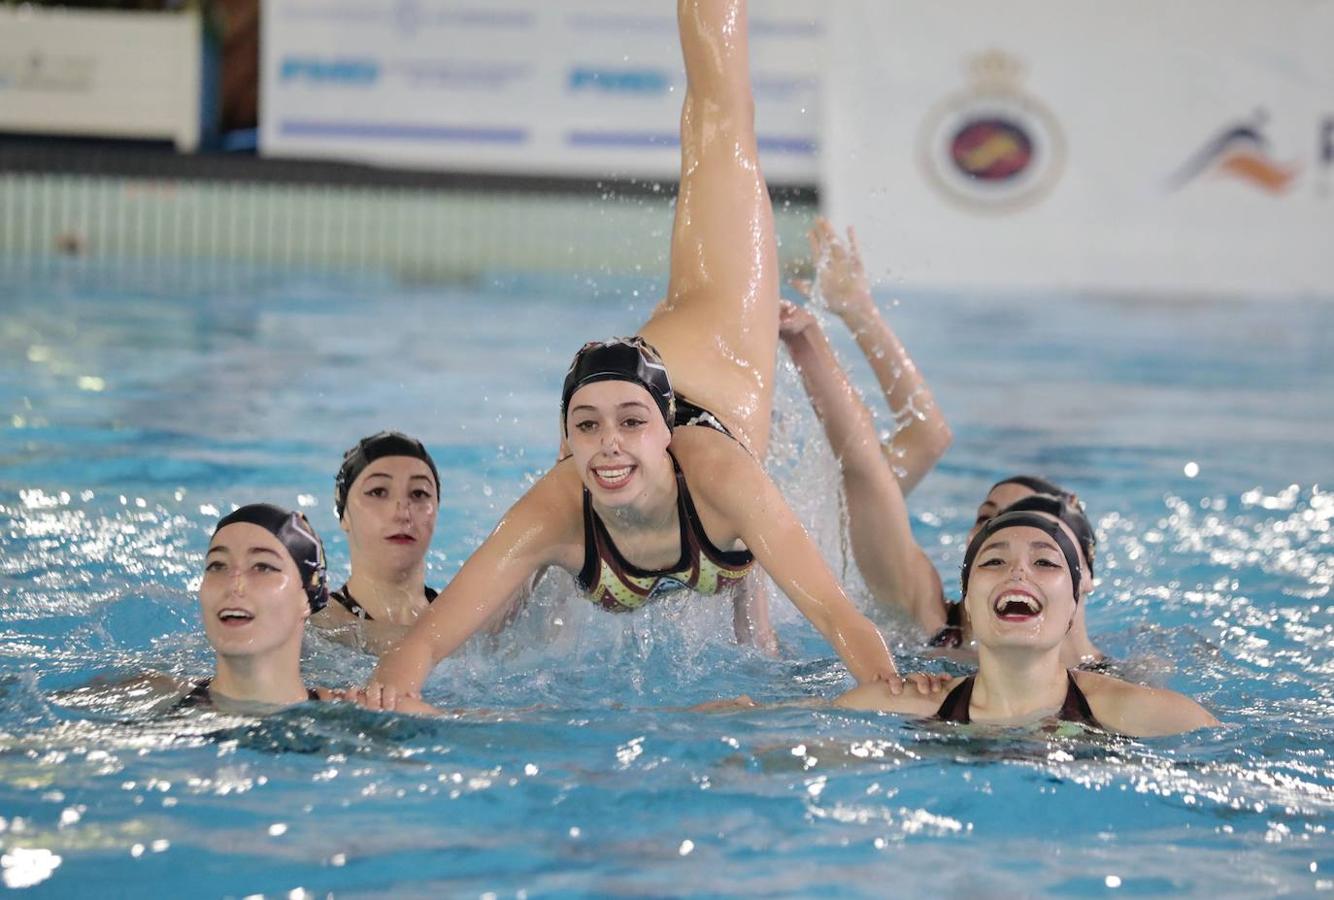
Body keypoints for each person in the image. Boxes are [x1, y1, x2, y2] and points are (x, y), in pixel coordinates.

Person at [361, 0, 920, 709]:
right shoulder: (561, 502)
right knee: (507, 620)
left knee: (718, 127)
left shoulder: (719, 473)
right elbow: (431, 641)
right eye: (587, 428)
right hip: (639, 396)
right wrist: (392, 698)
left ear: (667, 432)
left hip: (715, 345)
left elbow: (841, 617)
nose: (608, 448)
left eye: (629, 425)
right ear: (567, 436)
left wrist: (892, 697)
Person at [779, 222, 1105, 667]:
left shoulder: (1121, 686)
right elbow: (863, 466)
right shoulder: (937, 622)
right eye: (985, 522)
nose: (1001, 540)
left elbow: (925, 438)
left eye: (1040, 550)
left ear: (1082, 568)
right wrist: (813, 339)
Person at [707, 508, 1218, 738]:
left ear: (1073, 602)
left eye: (1045, 563)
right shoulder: (907, 702)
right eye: (994, 561)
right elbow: (777, 734)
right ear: (969, 601)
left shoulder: (1143, 713)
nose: (1018, 570)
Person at [62, 504, 438, 716]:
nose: (234, 584)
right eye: (217, 566)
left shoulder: (362, 715)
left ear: (309, 598)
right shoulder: (147, 695)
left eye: (263, 567)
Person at [310, 431, 444, 655]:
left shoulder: (469, 619)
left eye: (419, 493)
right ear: (344, 515)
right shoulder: (312, 629)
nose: (402, 512)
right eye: (378, 491)